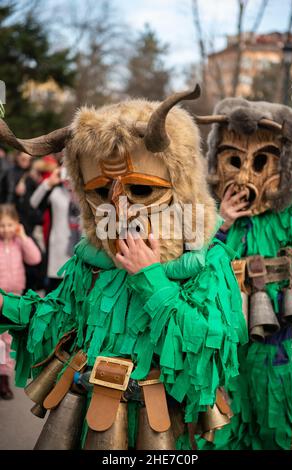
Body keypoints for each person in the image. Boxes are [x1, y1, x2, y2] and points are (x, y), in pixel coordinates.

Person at [0, 86, 246, 449]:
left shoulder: (207, 262)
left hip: (163, 425)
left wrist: (152, 278)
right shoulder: (93, 261)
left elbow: (210, 352)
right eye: (101, 194)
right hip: (89, 419)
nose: (121, 210)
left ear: (181, 187)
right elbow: (56, 322)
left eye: (141, 190)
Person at [195, 97, 292, 450]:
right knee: (227, 412)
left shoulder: (291, 213)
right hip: (226, 332)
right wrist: (221, 220)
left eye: (259, 162)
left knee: (275, 413)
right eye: (235, 161)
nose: (244, 175)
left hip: (279, 334)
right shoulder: (209, 213)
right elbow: (194, 264)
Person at [0, 204, 41, 399]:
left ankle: (3, 378)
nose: (5, 229)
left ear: (16, 225)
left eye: (9, 225)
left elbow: (35, 258)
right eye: (2, 225)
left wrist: (23, 236)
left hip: (15, 298)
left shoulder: (18, 242)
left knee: (7, 341)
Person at [30, 165, 81, 293]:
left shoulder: (85, 191)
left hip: (81, 252)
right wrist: (48, 183)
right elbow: (33, 203)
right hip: (58, 255)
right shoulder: (56, 191)